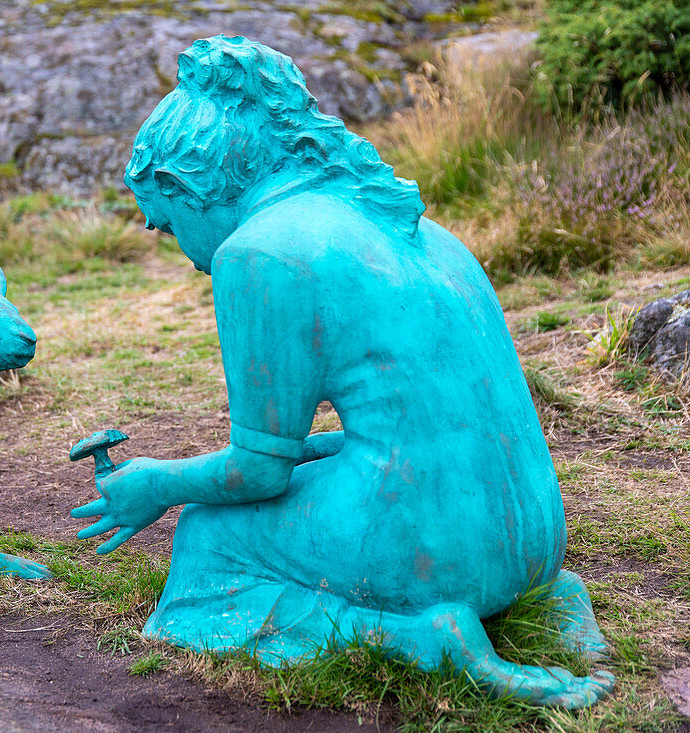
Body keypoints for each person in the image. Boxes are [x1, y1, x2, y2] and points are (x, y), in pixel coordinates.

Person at [72, 35, 614, 708]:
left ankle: (420, 639)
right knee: (306, 478)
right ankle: (550, 602)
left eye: (166, 224)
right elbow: (411, 425)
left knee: (208, 544)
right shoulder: (412, 224)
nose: (180, 250)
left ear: (186, 188)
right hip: (536, 534)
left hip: (438, 545)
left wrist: (159, 484)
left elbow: (260, 468)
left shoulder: (260, 252)